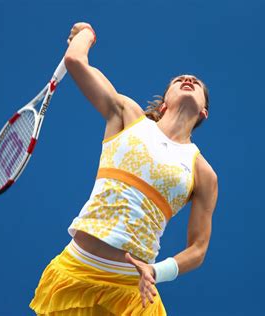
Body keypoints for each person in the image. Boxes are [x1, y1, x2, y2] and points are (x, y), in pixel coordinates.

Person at [29, 22, 219, 316]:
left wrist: (157, 271)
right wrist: (86, 34)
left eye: (195, 82)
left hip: (133, 293)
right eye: (179, 79)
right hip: (75, 272)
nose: (187, 79)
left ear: (203, 111)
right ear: (164, 103)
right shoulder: (127, 116)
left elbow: (198, 248)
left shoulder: (203, 172)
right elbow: (75, 61)